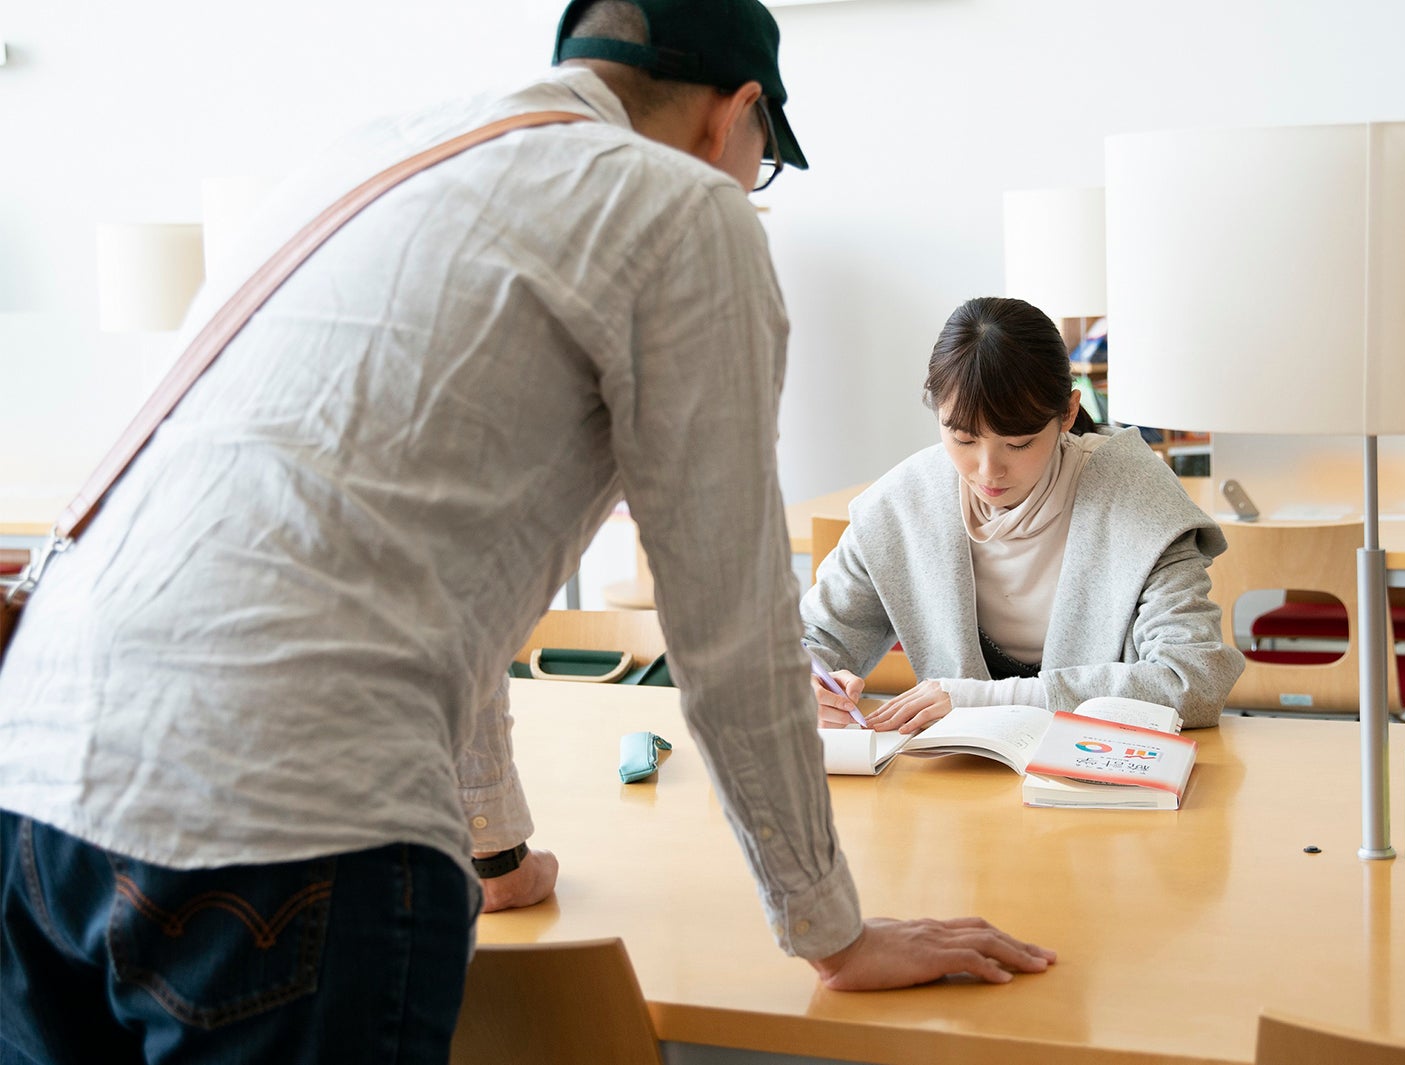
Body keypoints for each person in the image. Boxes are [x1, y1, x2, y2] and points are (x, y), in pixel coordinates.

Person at [0, 4, 1054, 1061]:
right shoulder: (684, 209)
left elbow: (418, 558)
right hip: (282, 824)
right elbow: (731, 627)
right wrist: (833, 932)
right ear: (733, 117)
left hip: (33, 784)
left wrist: (493, 850)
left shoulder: (371, 158)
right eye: (761, 159)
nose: (746, 186)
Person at [803, 296, 1245, 734]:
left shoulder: (1135, 498)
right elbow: (810, 644)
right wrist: (808, 684)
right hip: (955, 783)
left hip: (1104, 779)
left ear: (1068, 413)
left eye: (1018, 443)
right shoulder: (900, 507)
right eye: (962, 438)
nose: (988, 469)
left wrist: (984, 701)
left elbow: (1194, 679)